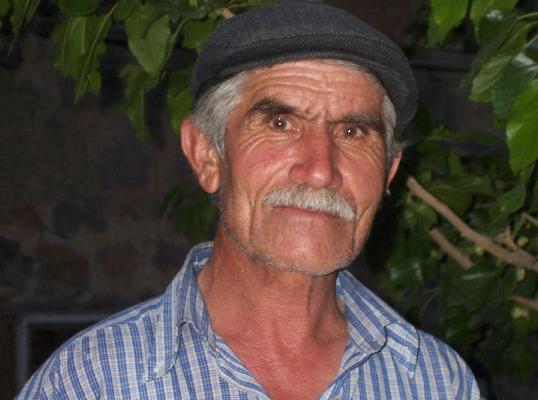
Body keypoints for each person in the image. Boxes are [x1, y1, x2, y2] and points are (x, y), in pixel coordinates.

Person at [18, 2, 482, 399]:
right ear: (207, 156)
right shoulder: (93, 383)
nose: (320, 170)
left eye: (352, 132)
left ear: (388, 173)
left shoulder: (435, 382)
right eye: (280, 124)